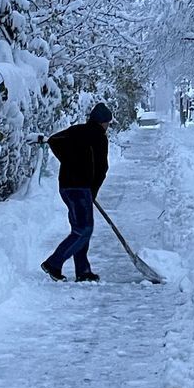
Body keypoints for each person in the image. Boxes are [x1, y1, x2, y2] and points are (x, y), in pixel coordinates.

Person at [41, 103, 112, 282]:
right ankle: (53, 263)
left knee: (79, 228)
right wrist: (92, 189)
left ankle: (83, 270)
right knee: (84, 229)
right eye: (107, 123)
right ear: (103, 122)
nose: (107, 126)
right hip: (81, 189)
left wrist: (69, 161)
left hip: (66, 186)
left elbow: (54, 140)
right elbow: (102, 168)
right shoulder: (99, 137)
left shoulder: (76, 130)